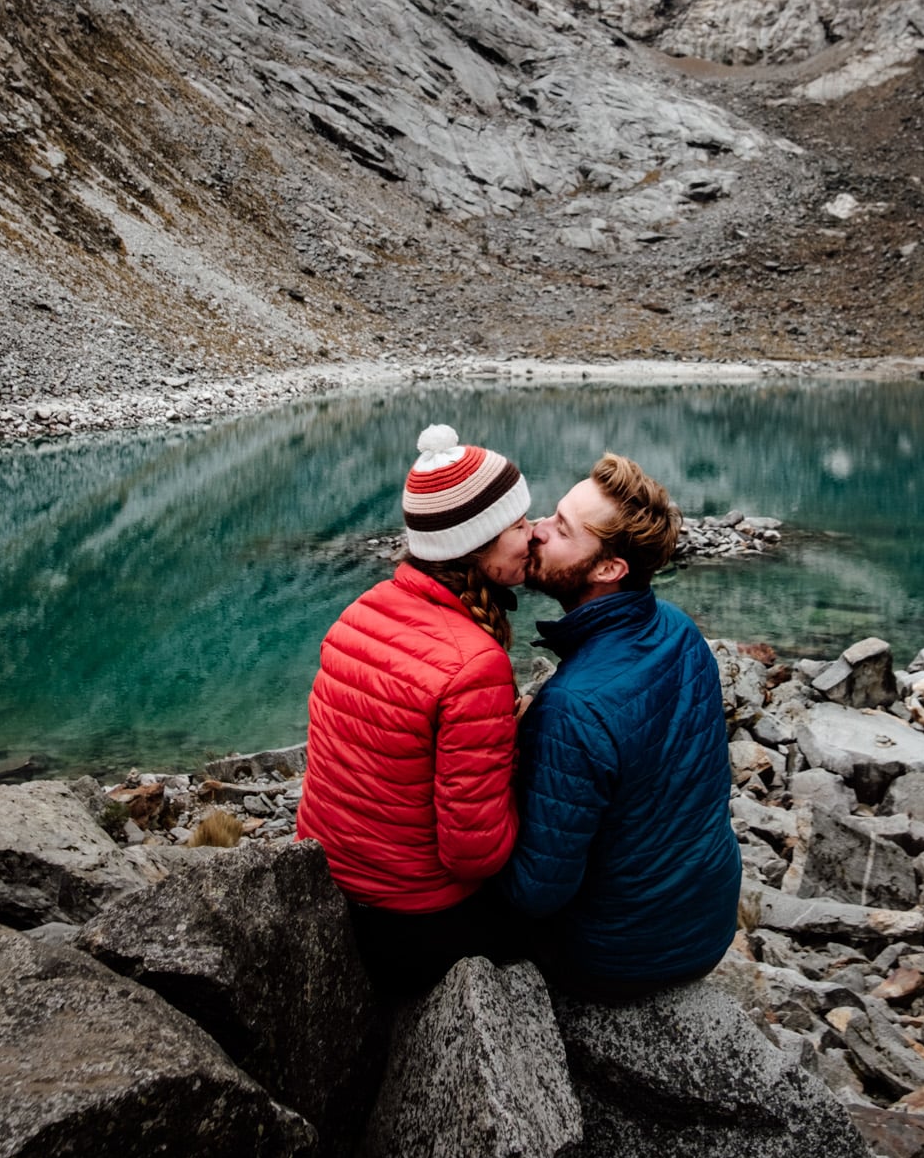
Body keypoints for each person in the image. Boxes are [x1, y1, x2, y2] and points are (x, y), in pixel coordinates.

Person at [296, 422, 531, 995]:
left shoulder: (362, 610)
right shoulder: (474, 663)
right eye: (519, 525)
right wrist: (518, 761)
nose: (535, 535)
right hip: (413, 921)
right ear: (475, 547)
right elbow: (473, 855)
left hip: (330, 885)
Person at [502, 452, 741, 999]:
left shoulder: (572, 707)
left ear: (609, 569)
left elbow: (537, 893)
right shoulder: (678, 629)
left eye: (562, 529)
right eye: (551, 514)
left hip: (620, 957)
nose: (535, 531)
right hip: (706, 926)